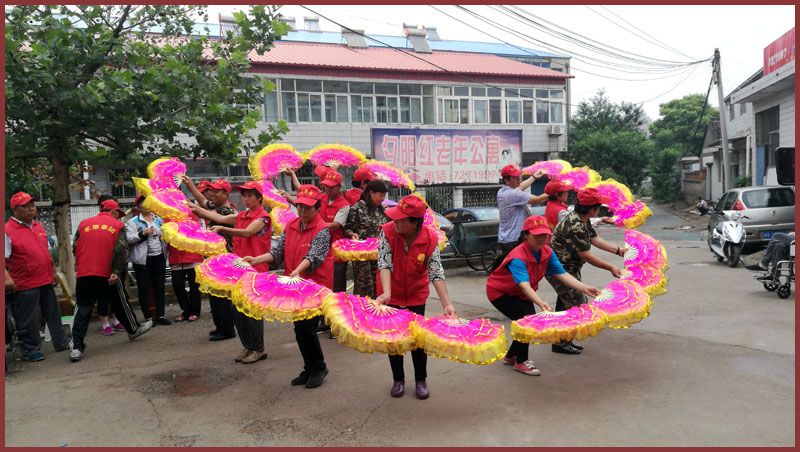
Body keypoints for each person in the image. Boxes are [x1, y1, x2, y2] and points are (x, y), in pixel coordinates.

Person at [486, 216, 600, 376]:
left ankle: (511, 356)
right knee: (528, 320)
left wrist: (585, 288)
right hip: (501, 293)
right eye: (537, 235)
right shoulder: (518, 257)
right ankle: (521, 362)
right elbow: (524, 285)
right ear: (526, 235)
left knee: (525, 321)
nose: (541, 239)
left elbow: (561, 274)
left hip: (523, 293)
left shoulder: (547, 251)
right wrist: (540, 302)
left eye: (544, 235)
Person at [242, 184, 331, 388]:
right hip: (294, 285)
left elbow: (314, 256)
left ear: (318, 208)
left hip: (314, 286)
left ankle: (319, 367)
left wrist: (298, 270)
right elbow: (278, 253)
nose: (302, 211)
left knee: (307, 328)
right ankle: (309, 367)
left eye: (307, 207)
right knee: (299, 328)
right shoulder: (291, 225)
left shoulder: (323, 230)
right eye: (299, 206)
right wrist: (256, 259)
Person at [375, 194, 457, 400]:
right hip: (390, 294)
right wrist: (386, 292)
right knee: (394, 339)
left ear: (414, 223)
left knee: (417, 340)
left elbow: (436, 272)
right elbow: (384, 262)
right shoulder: (387, 232)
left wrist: (447, 304)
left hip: (416, 296)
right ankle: (398, 379)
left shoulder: (430, 238)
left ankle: (421, 380)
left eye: (400, 219)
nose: (395, 222)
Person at [189, 181, 271, 364]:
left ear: (259, 198)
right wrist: (192, 207)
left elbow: (247, 233)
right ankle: (248, 346)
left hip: (256, 268)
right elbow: (215, 216)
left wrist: (222, 228)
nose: (247, 199)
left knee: (252, 311)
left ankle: (258, 348)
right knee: (237, 309)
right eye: (244, 195)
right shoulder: (242, 215)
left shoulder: (263, 217)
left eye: (251, 195)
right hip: (238, 269)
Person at [545, 188, 628, 355]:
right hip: (560, 270)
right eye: (598, 206)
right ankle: (561, 342)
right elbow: (586, 255)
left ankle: (562, 341)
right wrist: (610, 267)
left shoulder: (583, 219)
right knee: (577, 304)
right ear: (592, 209)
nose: (600, 209)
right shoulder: (575, 224)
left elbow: (594, 238)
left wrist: (617, 250)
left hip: (569, 268)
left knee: (566, 304)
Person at [70, 199, 153, 362]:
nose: (118, 217)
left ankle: (76, 347)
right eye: (118, 214)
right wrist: (116, 271)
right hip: (107, 273)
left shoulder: (83, 224)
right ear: (114, 212)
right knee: (120, 302)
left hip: (85, 273)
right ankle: (134, 329)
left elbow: (75, 247)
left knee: (82, 309)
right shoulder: (117, 226)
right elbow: (121, 250)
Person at [4, 191, 71, 361]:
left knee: (53, 312)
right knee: (29, 318)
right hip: (25, 283)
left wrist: (53, 271)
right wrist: (7, 278)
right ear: (16, 210)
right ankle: (31, 349)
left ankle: (61, 342)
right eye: (27, 207)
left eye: (32, 205)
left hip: (45, 278)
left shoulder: (37, 226)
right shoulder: (7, 230)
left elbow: (45, 253)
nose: (32, 209)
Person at [182, 176, 238, 341]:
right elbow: (203, 201)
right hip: (213, 256)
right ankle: (220, 326)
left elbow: (205, 209)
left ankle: (227, 329)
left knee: (221, 295)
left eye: (216, 191)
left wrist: (194, 207)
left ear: (226, 194)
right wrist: (190, 184)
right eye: (211, 190)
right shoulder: (216, 205)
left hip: (224, 257)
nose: (211, 193)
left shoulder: (226, 210)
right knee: (214, 294)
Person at [126, 195, 170, 325]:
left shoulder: (158, 220)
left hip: (159, 257)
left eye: (149, 203)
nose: (147, 206)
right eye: (143, 204)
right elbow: (129, 239)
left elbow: (165, 236)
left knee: (160, 286)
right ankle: (149, 317)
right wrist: (142, 233)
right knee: (144, 288)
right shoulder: (133, 222)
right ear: (138, 207)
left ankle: (161, 315)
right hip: (142, 260)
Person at [344, 180, 390, 298]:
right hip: (362, 254)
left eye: (384, 196)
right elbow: (347, 229)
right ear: (371, 193)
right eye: (380, 195)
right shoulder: (357, 208)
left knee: (378, 284)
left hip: (378, 253)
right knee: (364, 285)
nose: (382, 198)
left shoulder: (381, 210)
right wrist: (352, 235)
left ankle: (376, 310)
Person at [94, 194, 128, 336]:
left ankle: (115, 319)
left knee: (118, 294)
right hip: (102, 265)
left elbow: (121, 246)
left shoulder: (117, 223)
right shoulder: (93, 223)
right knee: (103, 295)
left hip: (118, 264)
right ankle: (105, 322)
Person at [497, 165, 548, 253]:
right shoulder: (513, 194)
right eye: (515, 177)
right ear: (506, 180)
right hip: (514, 239)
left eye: (518, 176)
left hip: (506, 238)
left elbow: (520, 187)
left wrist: (534, 177)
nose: (519, 179)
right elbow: (538, 199)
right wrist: (554, 189)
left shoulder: (502, 191)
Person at [166, 215, 204, 322]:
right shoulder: (167, 217)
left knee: (194, 286)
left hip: (193, 256)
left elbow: (197, 233)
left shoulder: (193, 215)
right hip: (176, 257)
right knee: (177, 285)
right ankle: (186, 310)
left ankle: (195, 311)